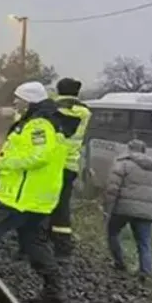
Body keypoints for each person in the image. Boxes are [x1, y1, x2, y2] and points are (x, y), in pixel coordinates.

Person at [0, 81, 67, 303]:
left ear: (30, 101)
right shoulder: (46, 123)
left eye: (19, 99)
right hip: (36, 200)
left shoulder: (38, 126)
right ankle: (55, 290)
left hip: (18, 198)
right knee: (34, 244)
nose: (15, 103)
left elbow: (36, 157)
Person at [104, 139, 152, 282]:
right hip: (147, 212)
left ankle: (119, 263)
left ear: (129, 149)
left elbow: (112, 189)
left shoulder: (122, 164)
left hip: (123, 208)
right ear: (144, 151)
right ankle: (145, 273)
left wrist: (108, 209)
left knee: (112, 232)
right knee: (144, 241)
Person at [49, 77, 92, 259]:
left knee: (43, 203)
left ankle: (40, 241)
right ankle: (63, 247)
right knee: (63, 205)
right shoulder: (85, 113)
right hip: (70, 167)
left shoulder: (51, 111)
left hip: (50, 165)